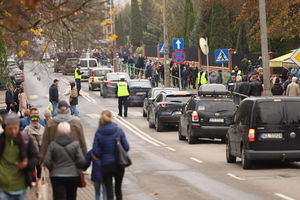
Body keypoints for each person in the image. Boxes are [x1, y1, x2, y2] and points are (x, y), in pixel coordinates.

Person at [0, 113, 39, 200]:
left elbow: (35, 157)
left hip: (21, 187)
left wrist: (27, 164)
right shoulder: (1, 141)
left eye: (15, 128)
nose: (13, 131)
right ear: (4, 127)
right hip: (3, 188)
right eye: (10, 128)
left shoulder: (26, 140)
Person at [92, 110, 129, 200]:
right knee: (118, 189)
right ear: (111, 118)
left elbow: (96, 151)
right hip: (119, 164)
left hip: (106, 165)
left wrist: (103, 155)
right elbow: (126, 147)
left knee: (109, 190)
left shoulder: (99, 132)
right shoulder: (118, 130)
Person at [44, 122, 85, 200]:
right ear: (69, 131)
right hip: (72, 175)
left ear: (58, 132)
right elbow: (81, 160)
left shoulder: (53, 144)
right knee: (71, 196)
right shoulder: (75, 144)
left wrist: (53, 168)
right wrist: (77, 167)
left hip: (56, 175)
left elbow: (47, 160)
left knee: (58, 197)